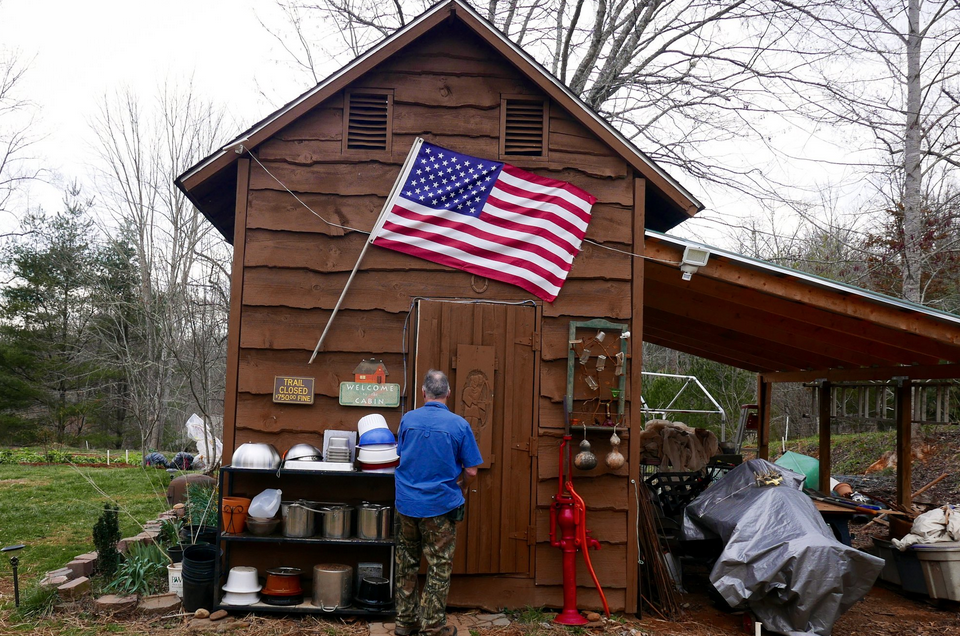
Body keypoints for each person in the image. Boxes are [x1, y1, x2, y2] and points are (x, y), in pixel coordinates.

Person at [394, 370, 483, 636]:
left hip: (407, 504)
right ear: (448, 393)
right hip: (440, 506)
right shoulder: (458, 425)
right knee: (438, 565)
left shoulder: (408, 420)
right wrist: (462, 488)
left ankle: (405, 622)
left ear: (423, 392)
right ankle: (432, 627)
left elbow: (400, 454)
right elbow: (471, 471)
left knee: (406, 562)